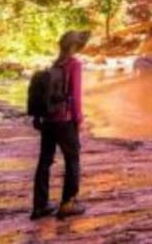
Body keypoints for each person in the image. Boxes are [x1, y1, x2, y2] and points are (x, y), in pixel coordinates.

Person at [32, 30, 89, 221]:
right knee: (72, 160)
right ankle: (67, 203)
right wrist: (78, 119)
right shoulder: (74, 64)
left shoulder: (55, 64)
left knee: (45, 161)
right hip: (65, 121)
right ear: (75, 46)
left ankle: (40, 205)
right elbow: (75, 95)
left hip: (48, 120)